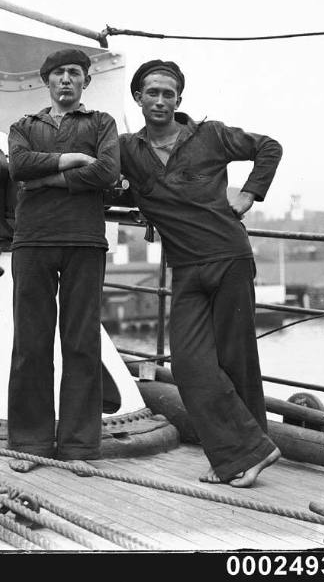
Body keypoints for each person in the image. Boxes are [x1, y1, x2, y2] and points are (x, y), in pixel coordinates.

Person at [119, 59, 282, 487]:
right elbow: (99, 174)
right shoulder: (128, 151)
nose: (159, 100)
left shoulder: (209, 135)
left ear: (179, 100)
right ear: (138, 98)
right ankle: (251, 450)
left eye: (168, 93)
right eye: (151, 92)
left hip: (229, 259)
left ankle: (240, 456)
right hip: (187, 270)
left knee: (236, 360)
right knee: (190, 363)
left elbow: (269, 147)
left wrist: (249, 195)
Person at [7, 48, 120, 460]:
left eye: (75, 72)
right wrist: (70, 160)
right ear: (48, 81)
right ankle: (30, 442)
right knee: (30, 343)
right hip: (33, 242)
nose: (67, 79)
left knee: (81, 343)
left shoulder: (102, 123)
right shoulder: (24, 126)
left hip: (84, 242)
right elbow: (18, 166)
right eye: (59, 73)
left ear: (86, 81)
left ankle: (79, 444)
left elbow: (107, 172)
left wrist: (46, 180)